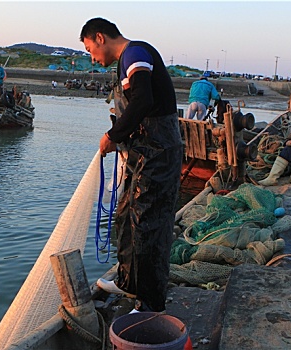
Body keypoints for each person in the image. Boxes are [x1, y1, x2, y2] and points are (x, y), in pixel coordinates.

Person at [80, 17, 183, 314]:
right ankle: (129, 281)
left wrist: (113, 136)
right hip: (142, 155)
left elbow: (142, 100)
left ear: (100, 37)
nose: (92, 57)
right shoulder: (123, 62)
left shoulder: (135, 53)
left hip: (159, 154)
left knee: (148, 226)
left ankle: (151, 304)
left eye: (90, 49)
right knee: (126, 217)